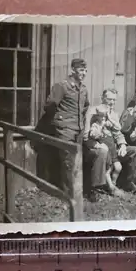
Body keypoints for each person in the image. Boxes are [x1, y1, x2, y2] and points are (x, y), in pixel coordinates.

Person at [34, 58, 90, 193]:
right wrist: (60, 120)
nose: (84, 73)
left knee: (75, 162)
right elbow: (50, 105)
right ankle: (68, 195)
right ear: (73, 70)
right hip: (64, 130)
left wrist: (82, 126)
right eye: (81, 70)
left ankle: (74, 192)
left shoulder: (83, 89)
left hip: (78, 130)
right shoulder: (62, 86)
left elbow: (85, 107)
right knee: (68, 162)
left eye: (85, 70)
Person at [83, 88, 136, 202]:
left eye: (114, 100)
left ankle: (128, 182)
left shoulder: (113, 114)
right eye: (109, 99)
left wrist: (122, 145)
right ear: (102, 98)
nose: (111, 102)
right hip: (94, 147)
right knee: (103, 152)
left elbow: (118, 133)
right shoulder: (93, 112)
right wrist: (97, 144)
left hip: (111, 147)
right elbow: (86, 136)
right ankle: (97, 188)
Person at [85, 112, 124, 197]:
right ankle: (111, 187)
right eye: (101, 116)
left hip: (113, 150)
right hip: (106, 151)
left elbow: (119, 128)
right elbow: (93, 135)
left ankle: (113, 183)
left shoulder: (109, 123)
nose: (103, 118)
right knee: (108, 170)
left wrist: (110, 119)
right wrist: (101, 126)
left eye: (105, 116)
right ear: (97, 116)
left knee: (118, 167)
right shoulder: (95, 125)